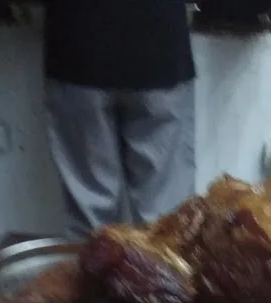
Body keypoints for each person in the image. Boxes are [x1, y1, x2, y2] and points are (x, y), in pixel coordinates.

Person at [43, 0, 196, 237]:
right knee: (167, 224)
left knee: (92, 228)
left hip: (77, 44)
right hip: (159, 44)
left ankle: (94, 257)